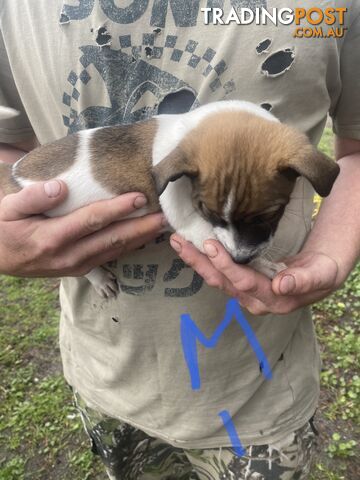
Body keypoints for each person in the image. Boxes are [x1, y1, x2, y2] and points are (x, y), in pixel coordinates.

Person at [0, 1, 359, 479]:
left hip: (259, 395)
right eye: (216, 217)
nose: (237, 248)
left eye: (257, 222)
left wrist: (331, 249)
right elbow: (11, 156)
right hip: (108, 374)